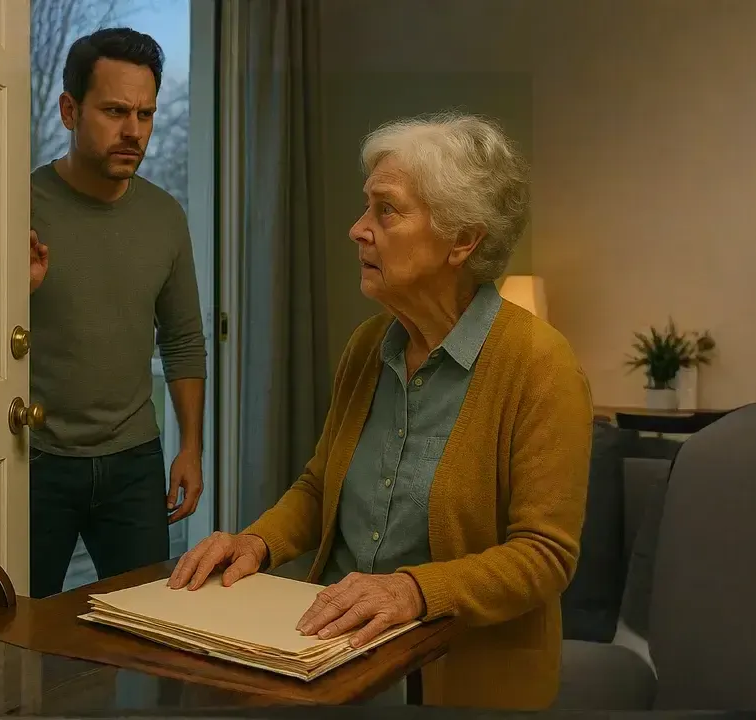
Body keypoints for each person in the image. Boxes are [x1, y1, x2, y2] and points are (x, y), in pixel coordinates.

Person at [169, 112, 592, 709]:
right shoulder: (368, 345)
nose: (357, 229)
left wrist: (413, 590)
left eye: (386, 210)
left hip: (460, 679)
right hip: (336, 661)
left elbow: (544, 557)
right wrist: (256, 543)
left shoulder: (540, 365)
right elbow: (321, 489)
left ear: (462, 240)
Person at [27, 28, 207, 599]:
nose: (134, 131)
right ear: (69, 110)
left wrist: (191, 448)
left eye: (144, 114)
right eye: (114, 111)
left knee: (145, 618)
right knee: (16, 624)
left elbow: (182, 338)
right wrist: (15, 292)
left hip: (133, 461)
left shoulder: (164, 216)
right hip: (36, 459)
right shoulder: (18, 208)